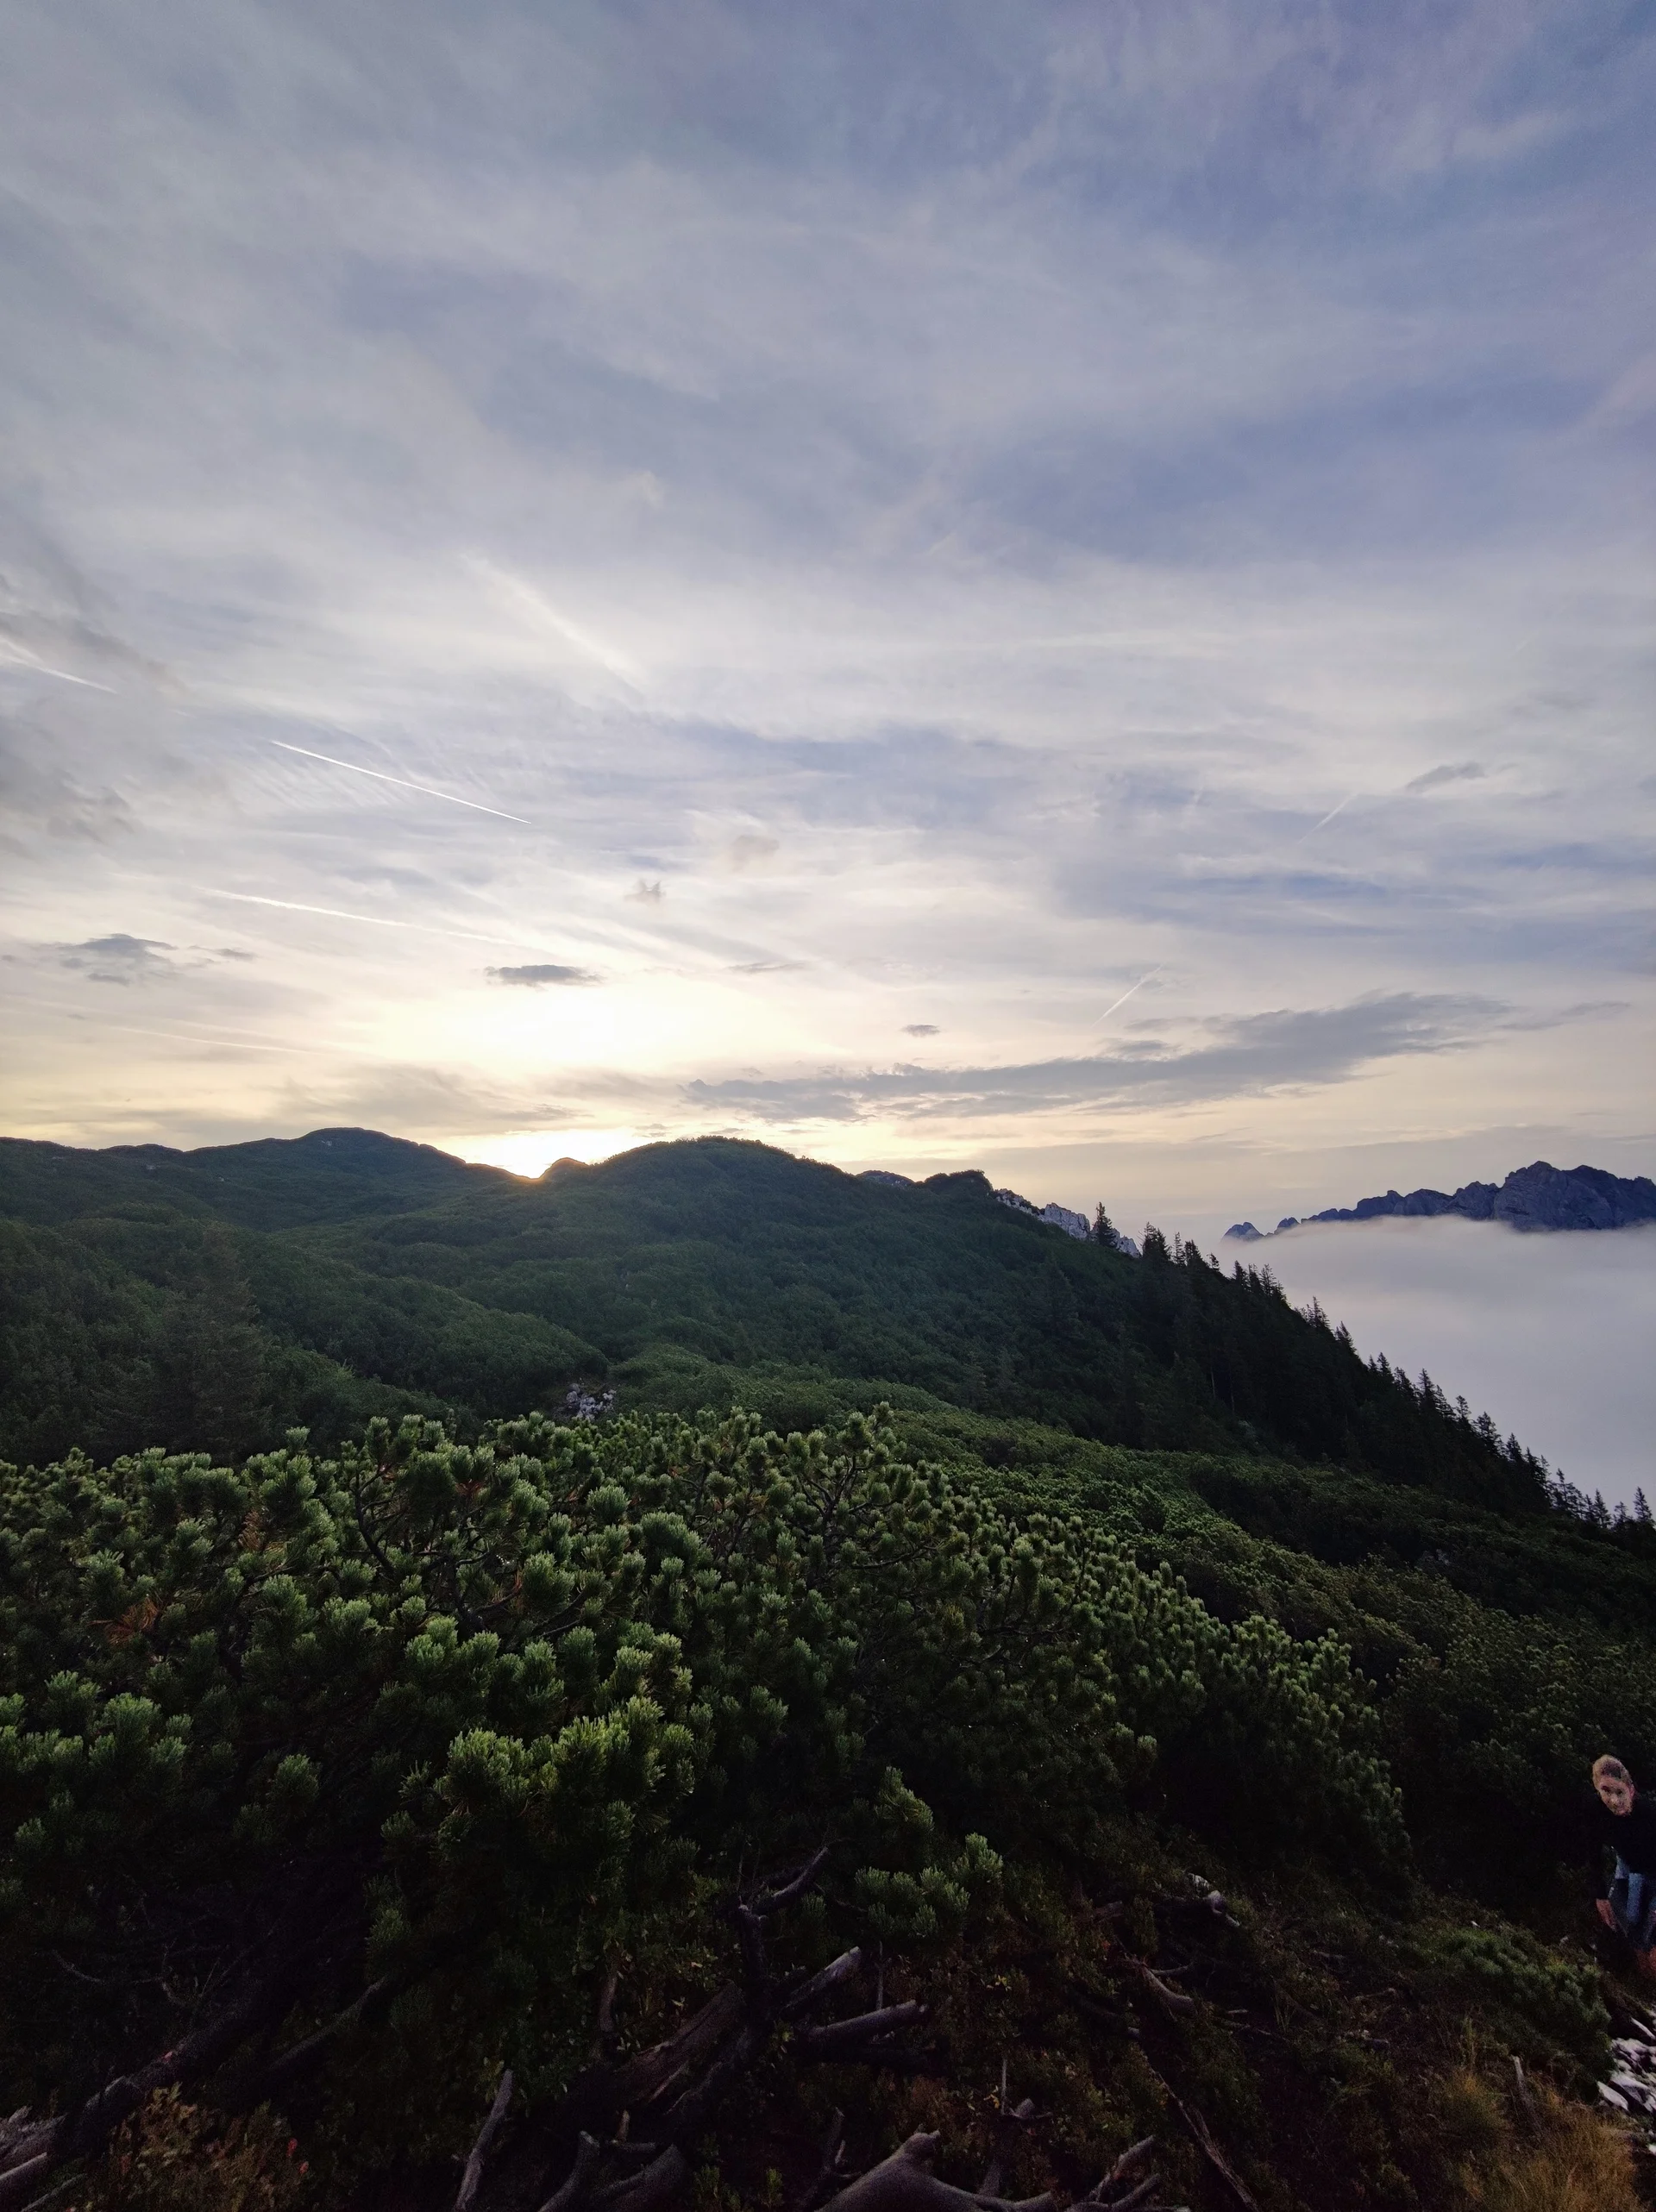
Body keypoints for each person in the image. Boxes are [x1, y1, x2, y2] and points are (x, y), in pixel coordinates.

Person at [1589, 1754, 1656, 1973]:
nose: (1614, 1800)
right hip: (1628, 1871)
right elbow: (1593, 1850)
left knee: (1653, 1940)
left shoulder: (1649, 1816)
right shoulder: (1598, 1811)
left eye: (1619, 1792)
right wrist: (1599, 1894)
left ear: (1631, 1790)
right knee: (1630, 1927)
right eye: (1606, 1791)